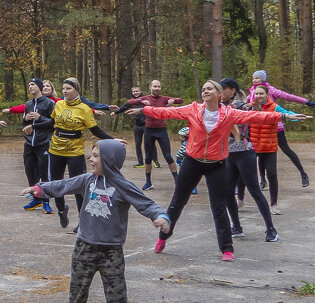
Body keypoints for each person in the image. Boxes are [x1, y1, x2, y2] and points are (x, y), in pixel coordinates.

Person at [21, 140, 170, 303]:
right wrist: (39, 189)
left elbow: (145, 204)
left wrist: (159, 217)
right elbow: (63, 185)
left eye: (96, 156)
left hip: (111, 251)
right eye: (91, 155)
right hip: (85, 246)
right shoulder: (88, 180)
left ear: (109, 160)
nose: (90, 160)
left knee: (116, 294)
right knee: (77, 290)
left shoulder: (122, 185)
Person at [125, 80, 288, 261]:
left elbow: (257, 117)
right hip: (192, 162)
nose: (205, 91)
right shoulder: (193, 109)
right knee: (177, 202)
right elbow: (167, 112)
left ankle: (227, 248)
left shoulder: (229, 113)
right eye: (203, 89)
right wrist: (143, 110)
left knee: (218, 207)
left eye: (209, 88)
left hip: (216, 164)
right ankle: (163, 238)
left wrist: (284, 117)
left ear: (219, 94)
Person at [44, 78, 115, 227]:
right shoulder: (58, 104)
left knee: (78, 186)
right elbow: (51, 123)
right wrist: (35, 124)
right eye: (63, 88)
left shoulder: (84, 108)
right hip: (56, 149)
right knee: (56, 184)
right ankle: (62, 210)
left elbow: (95, 130)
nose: (64, 91)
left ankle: (82, 221)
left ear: (76, 90)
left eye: (68, 88)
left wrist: (113, 140)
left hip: (74, 151)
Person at [217, 79, 278, 243]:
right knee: (228, 192)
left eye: (224, 89)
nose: (221, 92)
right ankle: (236, 227)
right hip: (228, 155)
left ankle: (271, 229)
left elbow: (255, 111)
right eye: (219, 89)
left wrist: (257, 105)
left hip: (245, 153)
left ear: (233, 91)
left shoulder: (241, 106)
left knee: (254, 191)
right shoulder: (216, 107)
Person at [247, 71, 315, 188]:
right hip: (260, 127)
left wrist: (306, 101)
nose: (254, 80)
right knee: (260, 153)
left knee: (286, 150)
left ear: (263, 79)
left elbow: (288, 96)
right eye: (253, 78)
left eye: (257, 78)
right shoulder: (251, 91)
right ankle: (263, 181)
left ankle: (303, 174)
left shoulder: (271, 90)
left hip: (275, 126)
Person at [248, 86, 309, 214]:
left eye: (261, 93)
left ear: (267, 95)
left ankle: (274, 204)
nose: (258, 96)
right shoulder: (249, 106)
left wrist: (298, 116)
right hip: (253, 146)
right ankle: (240, 200)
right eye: (256, 93)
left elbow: (285, 113)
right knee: (243, 174)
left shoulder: (274, 107)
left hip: (269, 146)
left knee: (272, 174)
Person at [118, 80, 185, 190]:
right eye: (155, 86)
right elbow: (130, 102)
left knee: (168, 156)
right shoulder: (146, 98)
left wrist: (174, 100)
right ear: (150, 87)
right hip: (149, 130)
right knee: (148, 157)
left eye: (158, 86)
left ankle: (177, 181)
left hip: (161, 130)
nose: (157, 88)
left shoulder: (164, 99)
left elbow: (180, 100)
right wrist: (141, 100)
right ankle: (148, 182)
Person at [18, 79, 56, 214]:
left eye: (32, 84)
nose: (30, 87)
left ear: (39, 87)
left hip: (43, 143)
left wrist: (39, 118)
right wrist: (26, 120)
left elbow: (54, 123)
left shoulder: (49, 103)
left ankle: (46, 201)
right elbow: (24, 124)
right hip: (29, 144)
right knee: (30, 171)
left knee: (44, 172)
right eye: (28, 85)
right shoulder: (28, 104)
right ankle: (36, 198)